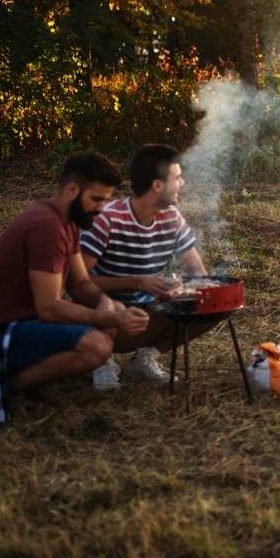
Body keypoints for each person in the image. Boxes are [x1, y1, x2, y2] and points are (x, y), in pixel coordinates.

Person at [0, 151, 150, 423]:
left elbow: (81, 283)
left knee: (104, 322)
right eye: (96, 199)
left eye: (105, 200)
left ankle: (33, 387)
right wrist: (112, 317)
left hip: (13, 326)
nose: (102, 208)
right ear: (72, 189)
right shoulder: (47, 227)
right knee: (96, 346)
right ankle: (8, 389)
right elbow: (48, 308)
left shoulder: (65, 222)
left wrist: (103, 301)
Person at [80, 143, 209, 389]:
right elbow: (76, 280)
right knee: (104, 307)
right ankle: (101, 359)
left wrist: (184, 290)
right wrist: (137, 282)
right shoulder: (107, 219)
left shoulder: (171, 217)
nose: (182, 183)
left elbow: (197, 271)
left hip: (146, 312)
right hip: (103, 315)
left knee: (209, 305)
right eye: (177, 178)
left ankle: (145, 356)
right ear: (157, 185)